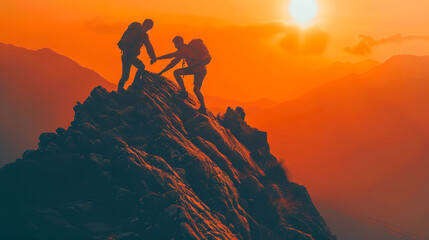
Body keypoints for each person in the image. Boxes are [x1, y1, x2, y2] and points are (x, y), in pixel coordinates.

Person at [156, 36, 211, 114]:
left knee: (196, 90)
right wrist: (158, 58)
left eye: (175, 44)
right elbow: (172, 55)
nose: (175, 46)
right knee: (177, 72)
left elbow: (173, 63)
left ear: (179, 43)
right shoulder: (184, 49)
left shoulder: (184, 51)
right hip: (194, 68)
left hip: (200, 70)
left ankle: (203, 108)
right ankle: (184, 92)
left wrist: (162, 72)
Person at [117, 19, 157, 92]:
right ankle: (133, 86)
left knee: (125, 76)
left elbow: (149, 47)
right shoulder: (135, 33)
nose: (147, 29)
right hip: (128, 56)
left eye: (149, 28)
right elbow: (126, 43)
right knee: (140, 67)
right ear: (143, 25)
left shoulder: (144, 36)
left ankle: (121, 90)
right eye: (147, 27)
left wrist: (153, 57)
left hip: (129, 56)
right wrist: (126, 55)